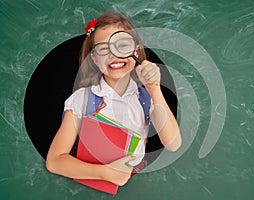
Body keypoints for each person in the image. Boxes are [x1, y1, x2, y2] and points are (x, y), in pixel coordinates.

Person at [46, 11, 181, 187]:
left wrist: (154, 88)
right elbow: (55, 161)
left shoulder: (146, 99)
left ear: (136, 52)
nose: (114, 55)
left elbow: (173, 144)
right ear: (94, 59)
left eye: (122, 45)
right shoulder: (82, 99)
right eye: (103, 49)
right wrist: (106, 173)